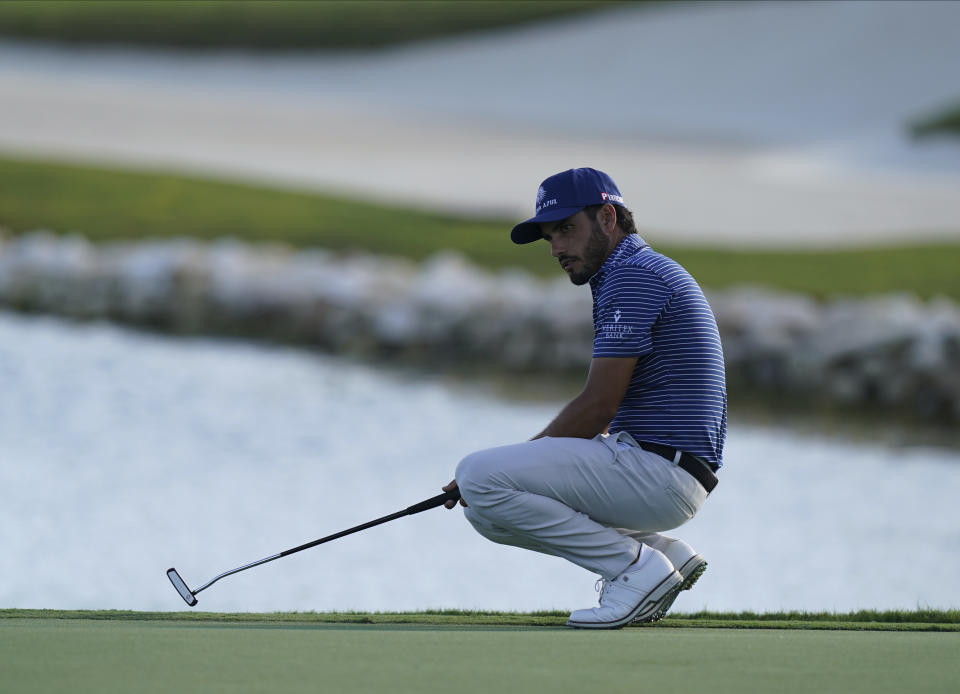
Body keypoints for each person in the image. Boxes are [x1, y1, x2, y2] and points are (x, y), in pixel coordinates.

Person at [442, 167, 727, 629]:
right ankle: (660, 553)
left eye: (567, 230)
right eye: (550, 236)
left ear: (608, 218)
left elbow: (599, 406)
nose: (556, 248)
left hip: (661, 472)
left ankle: (636, 568)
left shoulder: (632, 275)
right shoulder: (634, 270)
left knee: (478, 474)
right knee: (487, 515)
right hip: (665, 469)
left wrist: (506, 468)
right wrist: (505, 476)